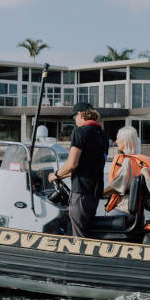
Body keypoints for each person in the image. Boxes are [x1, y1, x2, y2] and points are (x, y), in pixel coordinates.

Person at [49, 102, 109, 238]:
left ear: (80, 114)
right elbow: (87, 165)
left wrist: (56, 174)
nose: (74, 121)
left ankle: (77, 256)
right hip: (95, 192)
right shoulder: (103, 134)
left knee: (78, 235)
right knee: (86, 229)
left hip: (81, 191)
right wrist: (62, 177)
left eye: (74, 117)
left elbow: (72, 163)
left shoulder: (80, 131)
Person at [104, 126, 150, 215]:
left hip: (123, 208)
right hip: (138, 211)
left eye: (118, 139)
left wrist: (96, 194)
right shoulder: (143, 161)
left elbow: (115, 187)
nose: (116, 141)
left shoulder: (127, 161)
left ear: (125, 141)